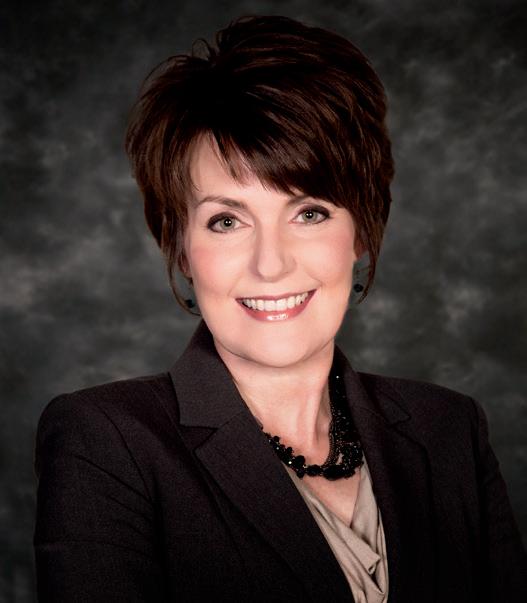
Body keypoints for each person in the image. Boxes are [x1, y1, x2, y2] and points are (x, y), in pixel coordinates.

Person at [33, 14, 527, 603]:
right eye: (226, 221)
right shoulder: (107, 443)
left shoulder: (449, 430)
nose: (271, 264)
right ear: (181, 248)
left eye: (309, 213)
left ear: (361, 232)